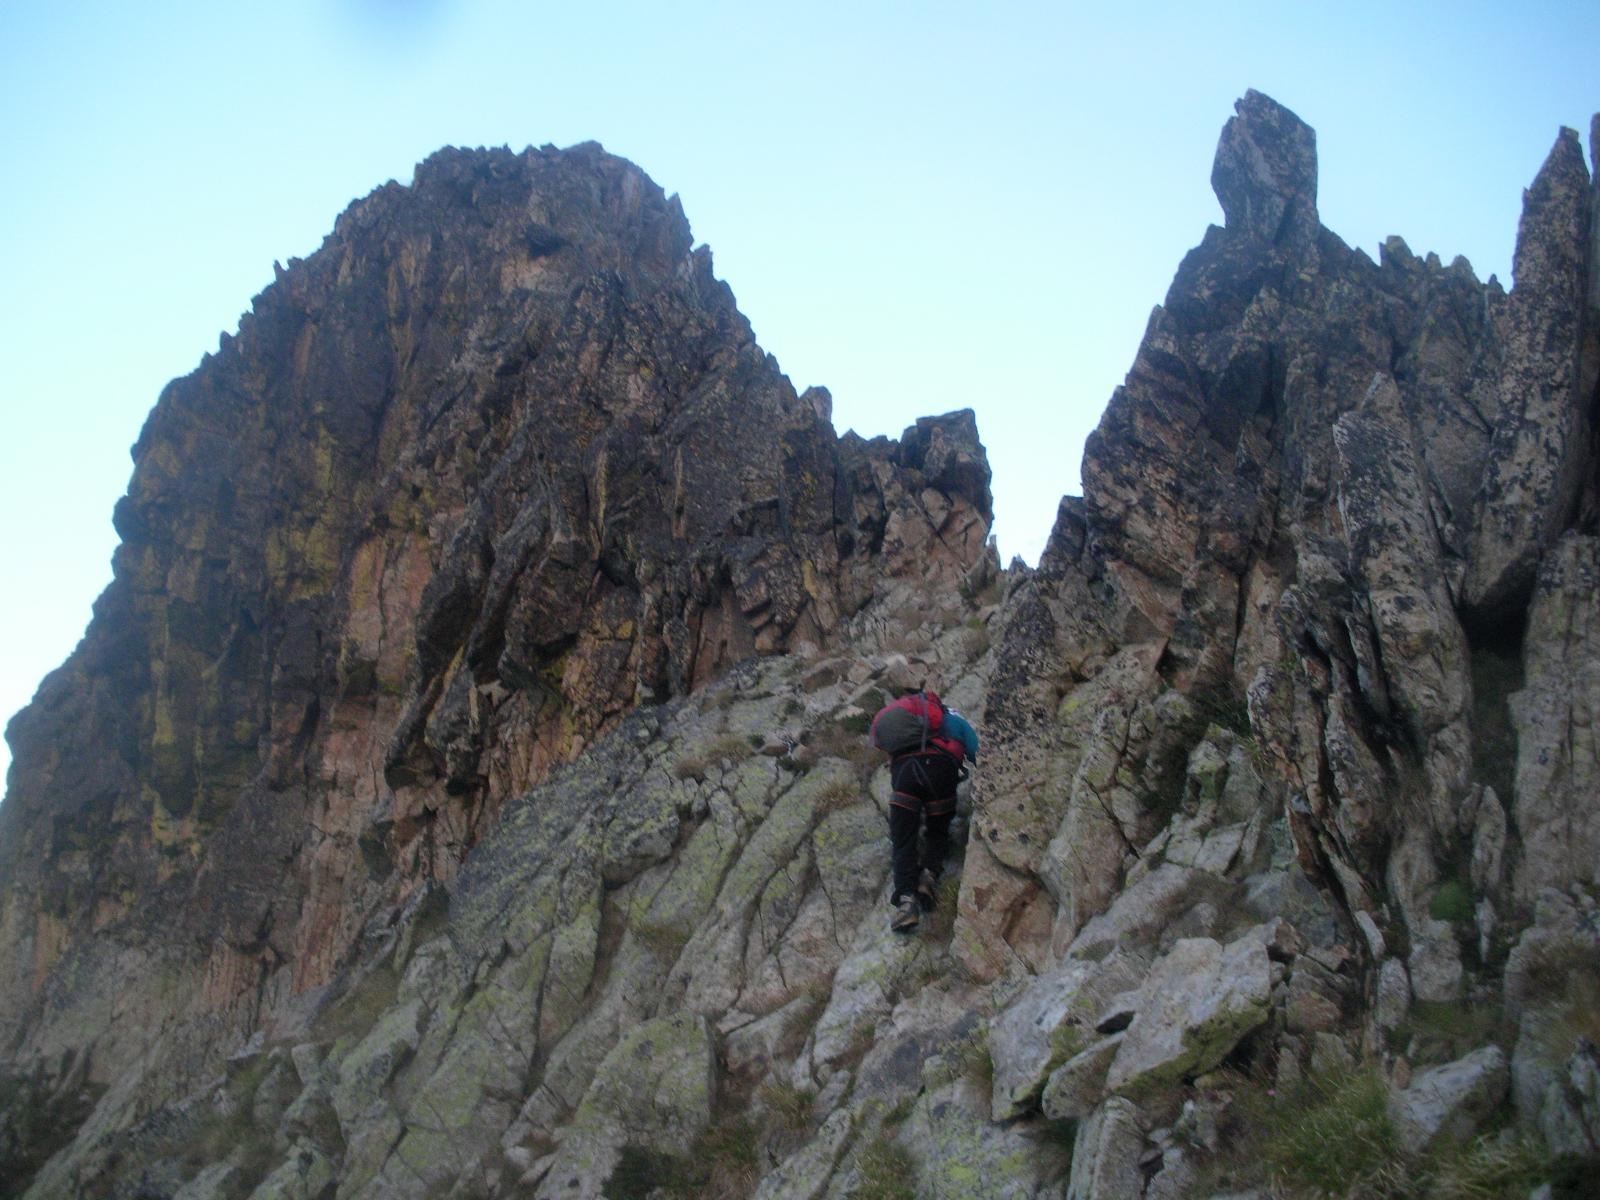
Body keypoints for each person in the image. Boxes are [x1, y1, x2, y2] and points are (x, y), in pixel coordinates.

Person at [870, 689, 979, 933]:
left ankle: (906, 904)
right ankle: (928, 877)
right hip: (940, 775)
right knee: (938, 831)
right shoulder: (954, 720)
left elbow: (887, 752)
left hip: (905, 776)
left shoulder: (906, 727)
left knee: (904, 841)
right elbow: (977, 752)